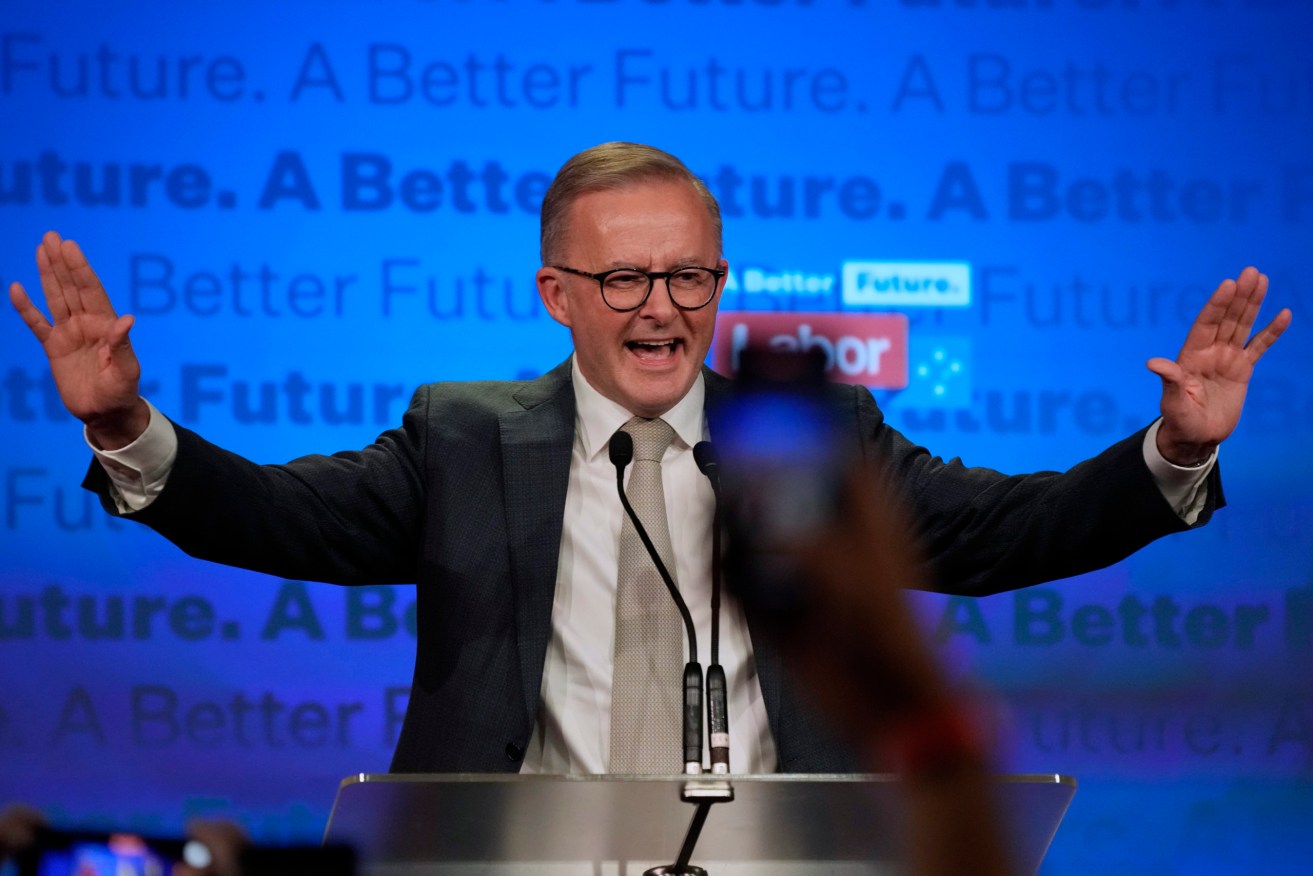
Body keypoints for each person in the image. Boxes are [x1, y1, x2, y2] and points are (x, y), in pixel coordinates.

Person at [8, 142, 1291, 777]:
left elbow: (1004, 535)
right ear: (557, 294)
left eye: (687, 274)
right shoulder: (463, 435)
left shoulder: (803, 435)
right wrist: (125, 423)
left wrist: (1173, 447)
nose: (661, 307)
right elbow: (275, 520)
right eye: (622, 276)